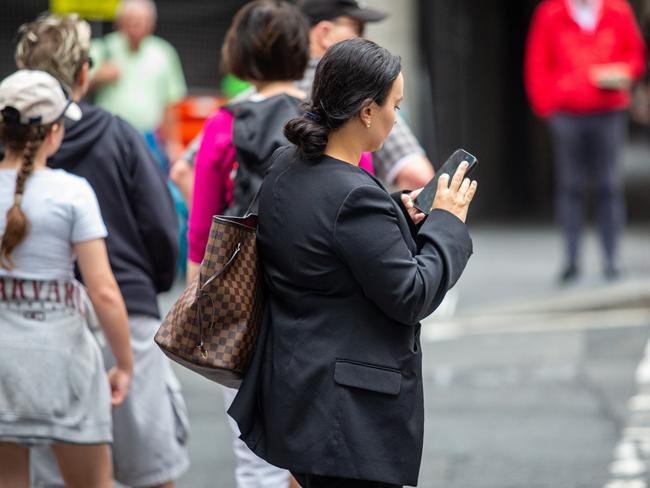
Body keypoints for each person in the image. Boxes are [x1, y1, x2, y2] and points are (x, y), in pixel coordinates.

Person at [229, 38, 476, 487]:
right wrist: (447, 223)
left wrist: (396, 216)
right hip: (348, 413)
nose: (395, 116)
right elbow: (412, 294)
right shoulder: (354, 194)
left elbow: (324, 248)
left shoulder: (286, 167)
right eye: (394, 106)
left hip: (296, 391)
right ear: (366, 111)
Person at [14, 14, 189, 488]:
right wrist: (150, 283)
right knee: (152, 470)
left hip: (34, 320)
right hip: (125, 314)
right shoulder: (117, 134)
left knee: (51, 474)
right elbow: (160, 225)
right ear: (83, 73)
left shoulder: (12, 153)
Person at [0, 69, 133, 487]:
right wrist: (124, 364)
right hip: (65, 362)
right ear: (54, 132)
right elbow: (104, 291)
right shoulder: (73, 192)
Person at [524, 0, 646, 282]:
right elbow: (537, 61)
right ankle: (571, 259)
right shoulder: (550, 12)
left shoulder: (617, 10)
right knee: (571, 186)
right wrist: (547, 107)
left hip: (609, 111)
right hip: (567, 114)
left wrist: (622, 72)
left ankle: (612, 257)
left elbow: (635, 56)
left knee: (608, 185)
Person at [296, 0, 434, 190]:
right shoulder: (359, 87)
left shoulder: (258, 95)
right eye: (357, 29)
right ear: (324, 33)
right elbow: (417, 175)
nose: (365, 39)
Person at [89, 0, 187, 160]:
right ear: (119, 21)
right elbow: (77, 89)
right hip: (108, 136)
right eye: (131, 19)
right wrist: (99, 77)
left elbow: (170, 104)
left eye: (142, 20)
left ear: (152, 23)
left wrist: (173, 144)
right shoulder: (103, 48)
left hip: (149, 139)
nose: (136, 24)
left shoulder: (164, 53)